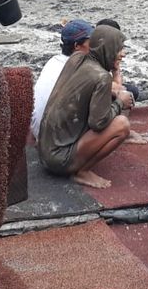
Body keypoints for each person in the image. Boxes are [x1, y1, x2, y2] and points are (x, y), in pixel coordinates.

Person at [38, 24, 134, 188]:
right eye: (119, 49)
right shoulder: (101, 77)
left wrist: (115, 71)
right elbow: (98, 123)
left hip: (44, 150)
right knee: (122, 125)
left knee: (112, 99)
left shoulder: (76, 58)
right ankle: (82, 172)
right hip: (58, 160)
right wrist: (120, 103)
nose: (123, 54)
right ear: (107, 49)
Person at [31, 19, 94, 139]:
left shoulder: (53, 61)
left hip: (38, 131)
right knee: (117, 121)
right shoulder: (79, 68)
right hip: (56, 140)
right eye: (90, 42)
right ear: (77, 46)